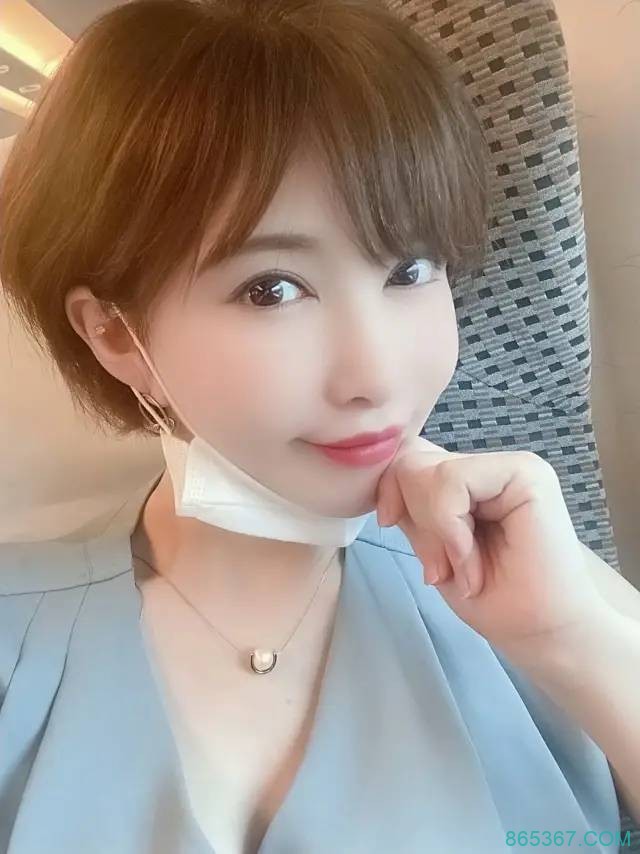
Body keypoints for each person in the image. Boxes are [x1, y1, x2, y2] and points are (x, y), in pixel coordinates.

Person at [0, 1, 638, 852]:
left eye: (411, 269)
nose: (377, 376)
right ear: (116, 334)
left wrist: (570, 641)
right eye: (273, 288)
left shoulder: (547, 585)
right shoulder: (17, 640)